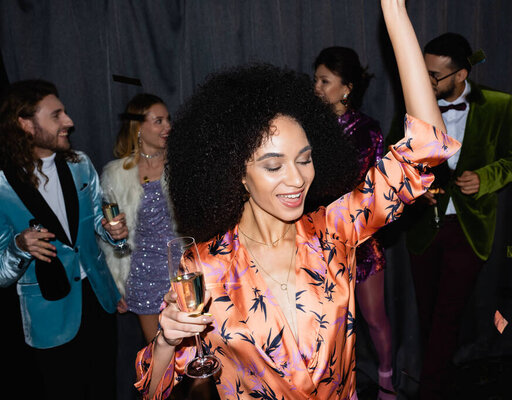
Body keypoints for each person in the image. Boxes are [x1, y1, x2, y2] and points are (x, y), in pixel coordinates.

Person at [135, 1, 460, 399]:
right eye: (274, 166)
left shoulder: (336, 229)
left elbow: (425, 146)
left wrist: (394, 12)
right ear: (236, 171)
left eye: (304, 159)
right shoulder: (203, 266)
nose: (297, 178)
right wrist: (167, 340)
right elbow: (154, 393)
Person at [390, 33, 512, 399]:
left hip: (469, 228)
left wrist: (485, 178)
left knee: (448, 316)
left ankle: (430, 392)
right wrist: (416, 190)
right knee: (428, 315)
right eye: (424, 72)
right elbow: (392, 163)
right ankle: (444, 379)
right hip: (423, 230)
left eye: (434, 75)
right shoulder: (411, 106)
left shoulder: (499, 105)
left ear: (461, 75)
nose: (426, 81)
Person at [0, 79, 128, 399]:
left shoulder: (80, 165)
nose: (69, 122)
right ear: (25, 124)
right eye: (56, 115)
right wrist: (19, 247)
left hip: (97, 300)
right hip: (50, 312)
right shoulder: (2, 185)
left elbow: (97, 221)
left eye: (65, 113)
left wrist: (111, 231)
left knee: (105, 388)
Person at [313, 46, 394, 399]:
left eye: (324, 81)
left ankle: (387, 379)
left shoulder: (365, 130)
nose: (316, 86)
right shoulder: (307, 126)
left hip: (357, 240)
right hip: (314, 242)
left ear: (346, 87)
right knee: (329, 327)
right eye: (315, 79)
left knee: (374, 320)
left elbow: (361, 187)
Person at [99, 93, 175, 344]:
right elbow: (110, 240)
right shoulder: (116, 174)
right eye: (159, 121)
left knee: (195, 355)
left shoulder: (181, 165)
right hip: (143, 277)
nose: (167, 127)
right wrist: (117, 285)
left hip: (184, 271)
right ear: (138, 128)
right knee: (158, 355)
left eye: (168, 120)